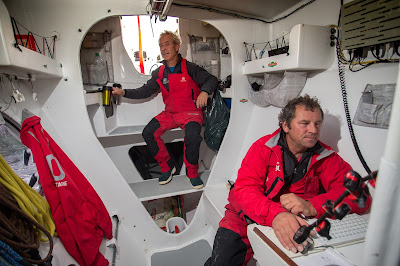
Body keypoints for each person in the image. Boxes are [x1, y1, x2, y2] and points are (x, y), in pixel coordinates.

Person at [205, 95, 371, 265]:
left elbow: (359, 196)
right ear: (286, 125)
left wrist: (312, 205)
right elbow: (244, 189)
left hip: (292, 221)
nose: (313, 130)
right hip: (245, 216)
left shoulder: (326, 158)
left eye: (317, 123)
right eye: (305, 123)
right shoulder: (263, 148)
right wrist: (275, 214)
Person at [112, 30, 218, 189]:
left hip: (191, 113)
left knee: (192, 137)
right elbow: (145, 91)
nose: (163, 48)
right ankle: (167, 167)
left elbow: (211, 79)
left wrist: (204, 91)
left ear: (177, 46)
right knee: (148, 132)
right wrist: (124, 92)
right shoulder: (159, 72)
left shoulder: (190, 68)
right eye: (161, 45)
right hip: (171, 113)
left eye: (167, 44)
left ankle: (192, 173)